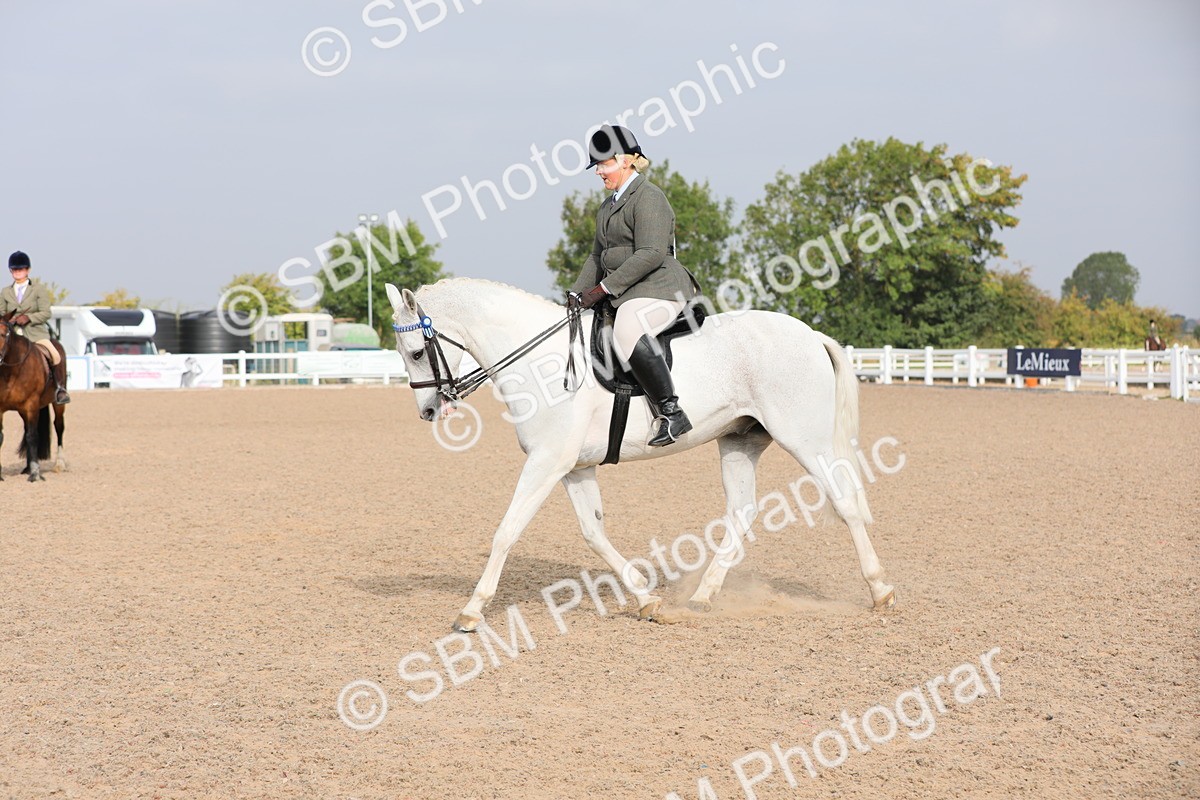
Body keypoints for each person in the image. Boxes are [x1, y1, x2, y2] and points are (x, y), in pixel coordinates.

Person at [568, 124, 699, 446]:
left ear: (628, 160)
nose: (599, 172)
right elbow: (596, 256)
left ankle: (672, 413)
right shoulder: (607, 207)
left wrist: (604, 289)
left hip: (661, 285)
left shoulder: (649, 197)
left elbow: (651, 253)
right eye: (597, 166)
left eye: (605, 164)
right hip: (629, 288)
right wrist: (576, 291)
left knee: (627, 329)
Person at [1, 251, 70, 403]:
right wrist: (10, 320)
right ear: (11, 271)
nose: (18, 272)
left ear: (28, 270)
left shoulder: (39, 289)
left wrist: (29, 318)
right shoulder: (5, 292)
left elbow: (46, 312)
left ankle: (60, 388)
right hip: (13, 335)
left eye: (21, 269)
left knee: (55, 354)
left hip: (35, 334)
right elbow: (1, 313)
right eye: (15, 269)